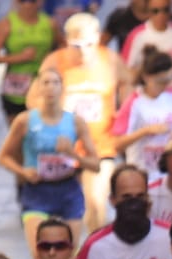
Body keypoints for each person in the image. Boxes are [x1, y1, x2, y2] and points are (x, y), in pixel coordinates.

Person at [39, 14, 129, 232]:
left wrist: (124, 124)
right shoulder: (55, 62)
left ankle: (93, 252)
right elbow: (37, 98)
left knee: (96, 203)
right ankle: (74, 256)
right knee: (69, 212)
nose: (83, 51)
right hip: (64, 148)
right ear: (66, 41)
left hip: (101, 145)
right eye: (76, 45)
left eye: (89, 44)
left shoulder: (110, 60)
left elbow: (128, 90)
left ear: (98, 38)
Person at [0, 68, 101, 258]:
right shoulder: (25, 120)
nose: (51, 88)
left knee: (69, 256)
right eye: (46, 83)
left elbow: (96, 164)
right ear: (38, 88)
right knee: (40, 256)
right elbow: (3, 157)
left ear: (63, 88)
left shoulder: (76, 122)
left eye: (55, 83)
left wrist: (73, 154)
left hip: (68, 190)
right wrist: (23, 172)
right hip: (37, 191)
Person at [110, 49, 172, 173]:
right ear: (146, 78)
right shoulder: (135, 102)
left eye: (169, 80)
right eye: (161, 82)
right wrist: (145, 131)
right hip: (144, 173)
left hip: (171, 175)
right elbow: (117, 144)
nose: (166, 86)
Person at [0, 0, 61, 121]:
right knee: (18, 132)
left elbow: (63, 46)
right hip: (15, 87)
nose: (27, 4)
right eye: (23, 0)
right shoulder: (6, 24)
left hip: (44, 85)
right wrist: (19, 57)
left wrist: (50, 58)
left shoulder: (49, 23)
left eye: (32, 1)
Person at [121, 1, 172, 72]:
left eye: (166, 10)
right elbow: (126, 68)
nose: (161, 15)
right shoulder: (136, 36)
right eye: (155, 11)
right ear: (148, 11)